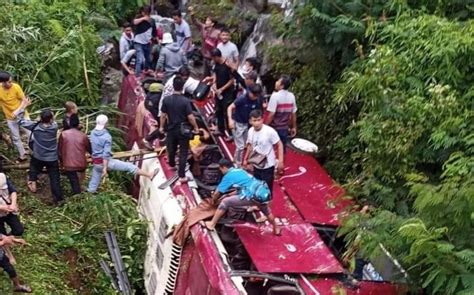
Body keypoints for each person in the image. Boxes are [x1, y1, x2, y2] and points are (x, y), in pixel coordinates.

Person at [204, 159, 280, 235]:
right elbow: (240, 188)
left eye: (221, 169)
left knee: (225, 202)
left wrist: (214, 200)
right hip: (259, 193)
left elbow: (217, 193)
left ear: (223, 167)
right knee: (266, 211)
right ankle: (276, 227)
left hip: (250, 196)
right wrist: (229, 195)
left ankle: (212, 223)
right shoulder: (240, 170)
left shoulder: (228, 176)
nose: (221, 172)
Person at [87, 115, 158, 193]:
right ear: (106, 123)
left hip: (96, 162)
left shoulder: (93, 133)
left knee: (94, 182)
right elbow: (105, 154)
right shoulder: (107, 137)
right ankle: (149, 175)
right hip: (104, 163)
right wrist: (105, 168)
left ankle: (89, 194)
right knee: (129, 166)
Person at [19, 108, 64, 204]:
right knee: (55, 178)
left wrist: (23, 107)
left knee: (33, 168)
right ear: (51, 119)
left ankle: (33, 183)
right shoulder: (54, 127)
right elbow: (52, 121)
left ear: (41, 118)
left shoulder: (35, 127)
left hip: (38, 156)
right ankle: (59, 200)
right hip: (52, 157)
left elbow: (19, 121)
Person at [159, 76, 199, 183]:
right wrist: (196, 128)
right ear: (182, 88)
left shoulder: (166, 100)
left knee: (171, 148)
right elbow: (190, 117)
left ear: (173, 87)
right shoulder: (186, 101)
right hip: (183, 130)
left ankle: (171, 164)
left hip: (171, 128)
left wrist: (161, 127)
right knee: (183, 152)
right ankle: (182, 176)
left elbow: (163, 115)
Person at [243, 110, 284, 191]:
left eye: (259, 120)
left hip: (268, 166)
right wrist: (245, 159)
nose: (257, 123)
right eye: (254, 120)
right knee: (257, 189)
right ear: (250, 121)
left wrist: (280, 161)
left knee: (267, 191)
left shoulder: (270, 131)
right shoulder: (250, 131)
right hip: (256, 164)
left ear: (262, 120)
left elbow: (279, 144)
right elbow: (250, 145)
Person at [227, 84, 264, 165]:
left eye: (256, 96)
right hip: (238, 124)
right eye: (253, 95)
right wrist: (230, 120)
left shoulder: (257, 100)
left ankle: (239, 159)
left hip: (248, 125)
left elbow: (258, 112)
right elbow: (230, 107)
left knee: (247, 144)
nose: (254, 97)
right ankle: (238, 164)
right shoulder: (242, 99)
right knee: (240, 146)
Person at [0, 71, 29, 163]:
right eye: (8, 82)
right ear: (2, 82)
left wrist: (17, 111)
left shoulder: (16, 87)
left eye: (10, 81)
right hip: (10, 117)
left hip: (22, 115)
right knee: (16, 137)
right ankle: (22, 155)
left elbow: (24, 101)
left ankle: (35, 152)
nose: (10, 83)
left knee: (30, 134)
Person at [58, 114, 91, 195]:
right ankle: (80, 190)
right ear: (78, 124)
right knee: (79, 179)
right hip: (81, 165)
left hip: (68, 165)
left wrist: (62, 162)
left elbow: (59, 151)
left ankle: (77, 195)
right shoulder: (83, 136)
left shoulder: (63, 134)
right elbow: (90, 149)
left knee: (74, 180)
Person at [265, 75, 297, 146]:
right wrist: (294, 127)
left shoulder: (275, 96)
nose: (276, 82)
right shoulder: (292, 96)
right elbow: (293, 113)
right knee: (281, 149)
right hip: (284, 129)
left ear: (282, 86)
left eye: (278, 81)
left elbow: (271, 114)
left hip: (274, 128)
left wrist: (265, 126)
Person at [209, 48, 234, 139]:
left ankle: (231, 133)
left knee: (226, 111)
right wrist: (214, 83)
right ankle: (221, 129)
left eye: (213, 58)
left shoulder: (227, 64)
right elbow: (215, 74)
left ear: (217, 57)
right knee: (218, 110)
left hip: (227, 92)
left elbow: (232, 80)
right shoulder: (216, 64)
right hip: (218, 90)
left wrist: (222, 89)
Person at [189, 7, 220, 74]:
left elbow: (219, 46)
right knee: (205, 73)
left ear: (212, 24)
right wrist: (192, 13)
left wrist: (216, 57)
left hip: (213, 56)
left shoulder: (217, 33)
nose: (206, 22)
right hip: (205, 54)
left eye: (208, 21)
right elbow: (195, 22)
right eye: (206, 20)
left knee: (213, 73)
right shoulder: (203, 28)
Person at [133, 5, 155, 76]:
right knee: (139, 59)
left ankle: (146, 71)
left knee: (148, 59)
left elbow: (153, 31)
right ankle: (137, 75)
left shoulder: (152, 21)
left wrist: (151, 39)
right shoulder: (139, 18)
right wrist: (143, 19)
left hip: (147, 43)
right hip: (138, 42)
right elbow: (134, 22)